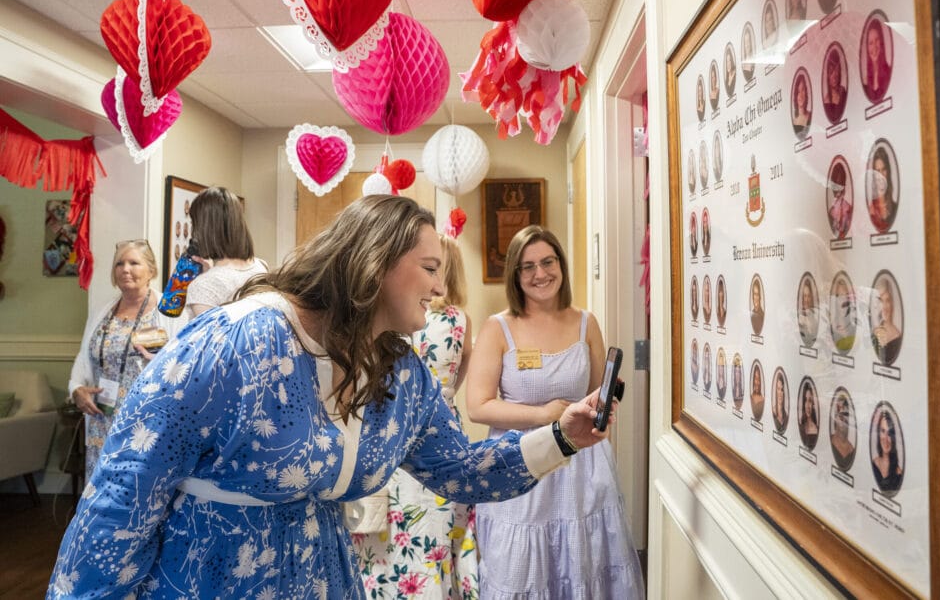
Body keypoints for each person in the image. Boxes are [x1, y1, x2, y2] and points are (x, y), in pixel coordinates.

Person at [49, 197, 613, 600]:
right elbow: (125, 490)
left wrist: (563, 437)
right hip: (208, 580)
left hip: (326, 577)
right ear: (375, 262)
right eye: (430, 268)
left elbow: (462, 471)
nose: (441, 289)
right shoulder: (236, 341)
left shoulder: (400, 374)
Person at [465, 225, 644, 599]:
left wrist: (605, 401)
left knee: (582, 560)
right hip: (521, 461)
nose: (540, 274)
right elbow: (478, 406)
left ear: (561, 265)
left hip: (581, 466)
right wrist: (544, 415)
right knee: (521, 566)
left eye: (548, 262)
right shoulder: (499, 328)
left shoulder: (586, 322)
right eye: (527, 266)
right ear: (515, 274)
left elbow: (597, 389)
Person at [353, 234, 479, 597]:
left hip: (392, 425)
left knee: (390, 534)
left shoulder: (394, 317)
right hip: (444, 425)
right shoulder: (460, 321)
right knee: (440, 531)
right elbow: (458, 376)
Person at [68, 239, 182, 479]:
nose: (126, 269)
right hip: (102, 420)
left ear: (151, 270)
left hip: (147, 424)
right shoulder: (103, 311)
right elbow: (84, 356)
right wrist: (77, 389)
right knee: (101, 496)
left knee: (139, 493)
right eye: (119, 264)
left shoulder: (168, 310)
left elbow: (183, 365)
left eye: (134, 263)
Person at [183, 186, 267, 319]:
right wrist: (211, 272)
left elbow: (211, 339)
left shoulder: (203, 286)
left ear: (203, 228)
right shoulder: (261, 266)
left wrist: (209, 277)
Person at [871, 275, 903, 364]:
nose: (884, 306)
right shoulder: (874, 332)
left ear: (892, 303)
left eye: (887, 300)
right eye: (881, 300)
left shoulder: (896, 336)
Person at [872, 408, 904, 494]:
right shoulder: (872, 465)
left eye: (889, 433)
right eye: (883, 431)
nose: (885, 438)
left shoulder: (899, 474)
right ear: (878, 434)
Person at [867, 145, 898, 232]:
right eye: (877, 171)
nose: (881, 176)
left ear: (888, 171)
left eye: (884, 169)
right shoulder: (870, 211)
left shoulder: (895, 207)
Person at [862, 17, 893, 102]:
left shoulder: (889, 72)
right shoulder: (864, 81)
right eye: (870, 43)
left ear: (881, 42)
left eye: (877, 40)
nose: (874, 47)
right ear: (867, 47)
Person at [831, 273, 858, 352]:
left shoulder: (854, 326)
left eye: (846, 296)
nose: (844, 300)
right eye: (840, 296)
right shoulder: (832, 329)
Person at [830, 391, 856, 471]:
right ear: (834, 417)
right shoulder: (829, 441)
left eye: (845, 413)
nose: (842, 418)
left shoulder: (852, 450)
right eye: (839, 413)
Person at [828, 161, 853, 239]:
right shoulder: (831, 212)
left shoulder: (849, 209)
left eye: (840, 186)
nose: (838, 192)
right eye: (835, 187)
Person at [822, 47, 848, 123]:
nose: (834, 75)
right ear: (827, 75)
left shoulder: (843, 91)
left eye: (837, 70)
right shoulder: (826, 101)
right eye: (831, 71)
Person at [797, 275, 819, 347]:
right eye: (804, 296)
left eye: (808, 296)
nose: (806, 300)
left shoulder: (815, 316)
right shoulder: (797, 317)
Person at [798, 380, 818, 450]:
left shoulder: (816, 429)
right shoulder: (801, 425)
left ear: (813, 404)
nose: (807, 406)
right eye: (806, 400)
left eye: (810, 401)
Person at [792, 71, 812, 137]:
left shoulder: (810, 115)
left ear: (806, 92)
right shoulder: (794, 122)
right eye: (798, 92)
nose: (800, 95)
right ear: (795, 95)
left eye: (803, 90)